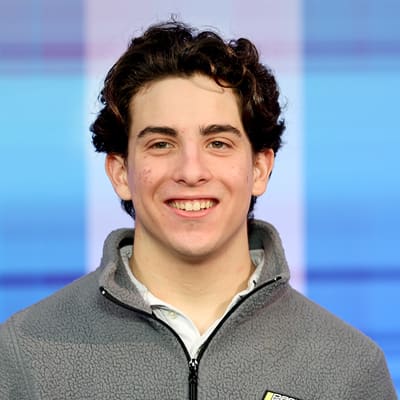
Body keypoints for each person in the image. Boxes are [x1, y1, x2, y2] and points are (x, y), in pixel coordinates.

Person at [0, 20, 397, 400]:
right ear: (121, 172)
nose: (191, 172)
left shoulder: (349, 368)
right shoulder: (23, 352)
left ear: (260, 168)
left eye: (218, 143)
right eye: (161, 143)